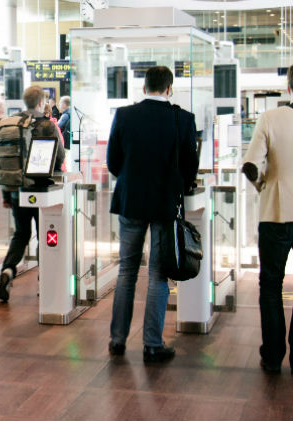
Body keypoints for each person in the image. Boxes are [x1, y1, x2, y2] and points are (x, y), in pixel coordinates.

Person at [106, 66, 198, 363]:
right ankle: (152, 344)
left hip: (131, 201)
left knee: (126, 271)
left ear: (144, 88)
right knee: (158, 273)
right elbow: (189, 167)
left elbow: (113, 162)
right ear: (169, 89)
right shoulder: (182, 119)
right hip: (164, 205)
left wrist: (133, 181)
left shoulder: (124, 116)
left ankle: (117, 340)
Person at [241, 65, 293, 374]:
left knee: (271, 284)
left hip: (275, 213)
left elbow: (251, 164)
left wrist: (263, 184)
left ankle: (273, 355)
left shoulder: (271, 118)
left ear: (288, 88)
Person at [0, 86, 65, 302]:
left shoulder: (11, 123)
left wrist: (7, 194)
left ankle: (7, 270)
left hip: (17, 189)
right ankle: (45, 280)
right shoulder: (45, 124)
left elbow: (5, 158)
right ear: (41, 101)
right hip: (42, 189)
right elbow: (59, 156)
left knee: (21, 233)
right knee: (46, 233)